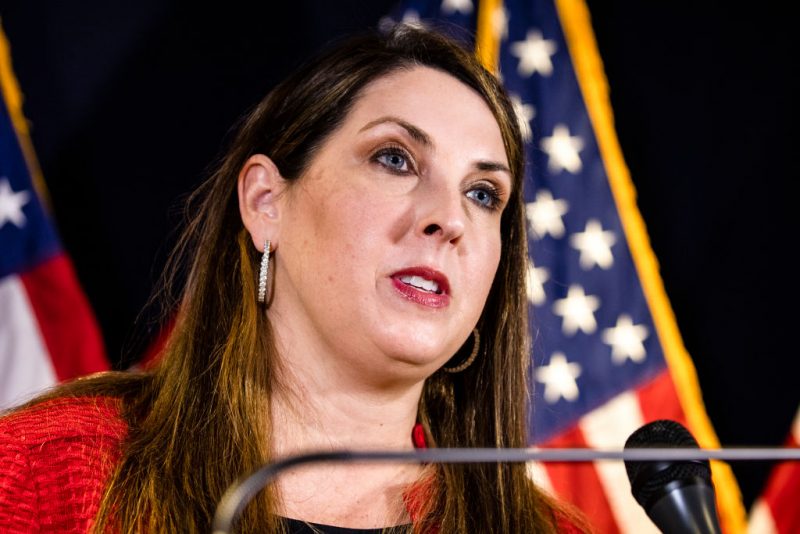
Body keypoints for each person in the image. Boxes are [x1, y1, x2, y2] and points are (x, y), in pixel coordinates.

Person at [0, 25, 588, 533]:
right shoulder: (43, 475)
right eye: (395, 159)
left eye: (484, 194)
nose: (451, 218)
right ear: (265, 202)